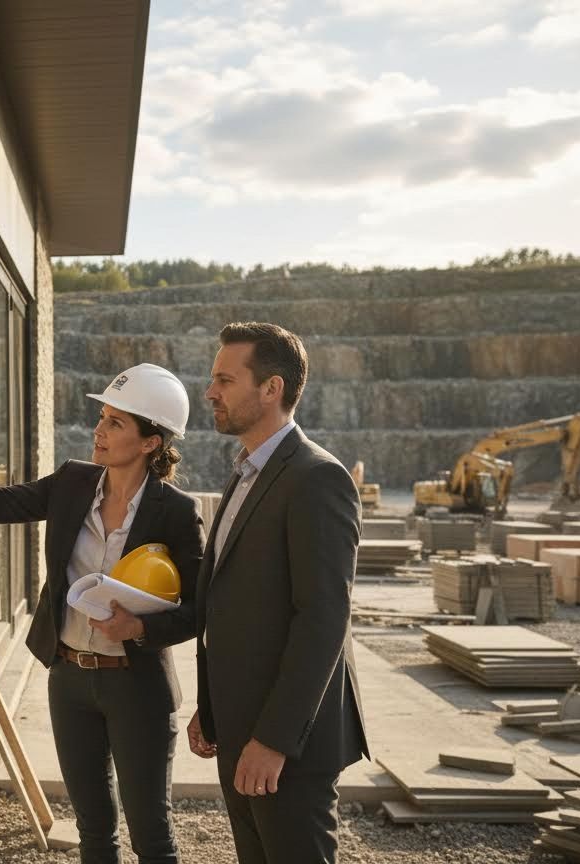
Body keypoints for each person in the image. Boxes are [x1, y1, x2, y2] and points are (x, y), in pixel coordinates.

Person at [0, 363, 204, 864]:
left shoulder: (177, 511)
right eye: (101, 417)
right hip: (70, 681)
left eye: (116, 422)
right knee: (94, 831)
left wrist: (139, 626)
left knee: (152, 835)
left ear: (151, 441)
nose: (99, 430)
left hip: (138, 688)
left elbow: (199, 612)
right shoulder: (72, 482)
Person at [187, 322, 369, 864]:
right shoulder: (247, 472)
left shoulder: (317, 478)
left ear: (271, 388)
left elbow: (323, 619)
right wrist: (212, 708)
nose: (210, 392)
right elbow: (231, 600)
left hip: (287, 745)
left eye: (225, 380)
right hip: (241, 729)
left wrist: (274, 740)